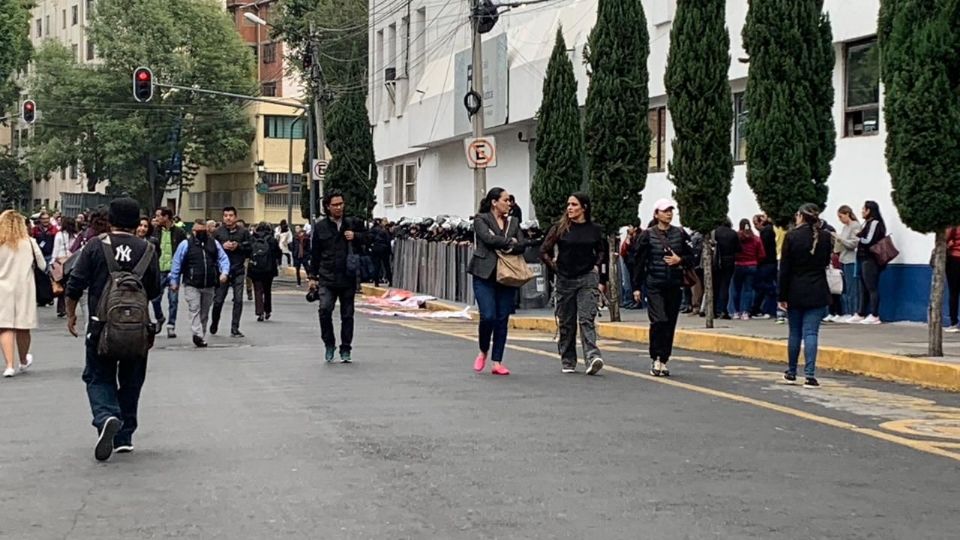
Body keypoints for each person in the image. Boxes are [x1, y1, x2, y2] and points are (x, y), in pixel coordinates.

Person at [65, 197, 162, 460]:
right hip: (137, 329)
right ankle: (124, 436)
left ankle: (107, 415)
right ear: (136, 221)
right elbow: (154, 290)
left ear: (110, 219)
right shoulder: (148, 249)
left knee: (97, 376)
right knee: (132, 380)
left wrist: (71, 313)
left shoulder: (96, 246)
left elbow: (75, 283)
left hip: (100, 326)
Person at [540, 192, 608, 375]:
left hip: (587, 278)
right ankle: (568, 359)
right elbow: (544, 250)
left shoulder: (595, 229)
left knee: (586, 319)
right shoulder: (560, 228)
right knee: (567, 322)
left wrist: (597, 270)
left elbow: (603, 251)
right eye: (568, 204)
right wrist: (555, 267)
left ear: (584, 207)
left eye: (574, 204)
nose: (570, 208)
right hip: (565, 279)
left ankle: (593, 357)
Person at [468, 187, 528, 376]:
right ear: (494, 202)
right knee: (488, 316)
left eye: (510, 201)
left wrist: (510, 244)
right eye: (505, 200)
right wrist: (508, 242)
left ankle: (497, 361)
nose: (509, 204)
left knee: (502, 318)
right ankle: (483, 350)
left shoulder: (514, 221)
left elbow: (521, 244)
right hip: (484, 275)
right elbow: (487, 239)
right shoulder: (481, 219)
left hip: (507, 276)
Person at [631, 199, 694, 377]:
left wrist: (679, 260)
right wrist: (636, 286)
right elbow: (638, 262)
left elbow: (692, 258)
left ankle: (664, 359)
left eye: (671, 210)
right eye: (665, 210)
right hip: (654, 285)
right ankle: (655, 357)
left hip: (674, 285)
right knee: (659, 320)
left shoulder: (681, 234)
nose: (668, 213)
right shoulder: (647, 235)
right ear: (656, 214)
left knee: (670, 323)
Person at [308, 190, 369, 363]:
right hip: (327, 276)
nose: (339, 207)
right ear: (327, 207)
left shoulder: (353, 223)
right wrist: (313, 277)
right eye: (335, 205)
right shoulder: (320, 227)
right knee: (325, 310)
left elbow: (369, 238)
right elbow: (315, 253)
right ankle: (329, 343)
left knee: (347, 315)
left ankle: (346, 348)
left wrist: (356, 236)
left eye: (341, 204)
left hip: (348, 276)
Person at [778, 204, 832, 388]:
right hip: (817, 290)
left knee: (795, 333)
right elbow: (826, 262)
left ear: (800, 216)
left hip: (795, 290)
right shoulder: (825, 237)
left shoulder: (791, 236)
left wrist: (781, 295)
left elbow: (784, 268)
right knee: (811, 333)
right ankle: (810, 375)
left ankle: (791, 372)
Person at [169, 220, 230, 347]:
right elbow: (176, 263)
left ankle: (201, 334)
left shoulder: (214, 243)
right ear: (193, 231)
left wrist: (224, 272)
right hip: (191, 284)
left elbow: (223, 258)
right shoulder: (185, 245)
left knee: (205, 312)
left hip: (209, 284)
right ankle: (197, 334)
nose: (201, 233)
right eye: (198, 231)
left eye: (203, 231)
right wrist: (174, 281)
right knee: (194, 308)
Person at [0, 210, 46, 378]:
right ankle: (23, 360)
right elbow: (42, 265)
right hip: (24, 288)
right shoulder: (30, 242)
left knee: (5, 327)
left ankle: (9, 365)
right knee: (23, 327)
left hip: (2, 288)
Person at [212, 207, 252, 338]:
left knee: (238, 300)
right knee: (218, 300)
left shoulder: (244, 232)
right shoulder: (217, 232)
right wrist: (222, 246)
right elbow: (210, 249)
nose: (228, 218)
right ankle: (214, 322)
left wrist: (238, 246)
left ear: (235, 217)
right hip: (222, 271)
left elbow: (250, 247)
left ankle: (235, 328)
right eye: (225, 215)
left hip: (238, 269)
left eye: (230, 215)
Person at [151, 207, 187, 339]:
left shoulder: (179, 232)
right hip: (158, 269)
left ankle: (171, 325)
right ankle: (160, 317)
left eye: (159, 216)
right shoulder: (155, 232)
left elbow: (184, 251)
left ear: (166, 217)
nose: (156, 218)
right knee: (155, 298)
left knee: (173, 300)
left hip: (173, 271)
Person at [851, 201, 886, 325]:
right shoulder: (867, 223)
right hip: (862, 257)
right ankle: (861, 313)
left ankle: (874, 314)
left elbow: (869, 240)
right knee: (862, 287)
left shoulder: (875, 223)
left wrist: (858, 238)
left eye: (863, 209)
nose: (861, 211)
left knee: (872, 287)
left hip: (870, 258)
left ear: (869, 210)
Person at [731, 218, 765, 320]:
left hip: (738, 265)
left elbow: (732, 251)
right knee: (748, 290)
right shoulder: (756, 239)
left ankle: (736, 312)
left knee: (736, 289)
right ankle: (745, 312)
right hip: (752, 265)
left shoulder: (736, 238)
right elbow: (762, 254)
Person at [833, 206, 862, 322]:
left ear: (847, 214)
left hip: (851, 259)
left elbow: (854, 244)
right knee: (845, 287)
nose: (840, 219)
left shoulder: (855, 226)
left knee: (852, 287)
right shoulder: (845, 227)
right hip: (843, 259)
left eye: (841, 216)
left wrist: (840, 239)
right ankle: (848, 311)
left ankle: (854, 311)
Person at [250, 222, 281, 322]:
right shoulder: (272, 240)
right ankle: (267, 310)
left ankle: (260, 312)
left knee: (258, 290)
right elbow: (278, 253)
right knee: (267, 290)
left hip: (255, 267)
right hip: (269, 268)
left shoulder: (252, 238)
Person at [750, 214, 778, 319]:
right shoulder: (770, 229)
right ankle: (765, 308)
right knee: (766, 284)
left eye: (756, 224)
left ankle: (758, 309)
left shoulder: (766, 232)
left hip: (766, 263)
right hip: (771, 262)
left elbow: (763, 249)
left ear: (761, 222)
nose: (755, 227)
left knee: (760, 285)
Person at [713, 218, 740, 319]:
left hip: (716, 261)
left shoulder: (714, 233)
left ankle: (714, 310)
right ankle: (724, 310)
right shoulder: (733, 233)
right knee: (725, 286)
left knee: (715, 286)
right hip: (729, 261)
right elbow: (738, 248)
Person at [52, 217, 78, 318]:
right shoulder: (76, 236)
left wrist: (52, 261)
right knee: (69, 285)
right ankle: (69, 307)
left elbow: (55, 249)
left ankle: (61, 308)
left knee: (61, 285)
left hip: (60, 261)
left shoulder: (59, 235)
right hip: (72, 261)